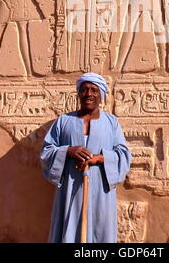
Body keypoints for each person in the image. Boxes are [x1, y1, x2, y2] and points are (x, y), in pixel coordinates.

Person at [40, 73, 131, 243]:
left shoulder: (112, 123)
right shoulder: (63, 121)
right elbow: (46, 152)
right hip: (70, 191)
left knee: (100, 233)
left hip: (101, 193)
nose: (89, 94)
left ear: (101, 95)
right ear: (79, 93)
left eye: (94, 90)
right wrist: (68, 151)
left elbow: (123, 155)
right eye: (85, 90)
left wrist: (100, 158)